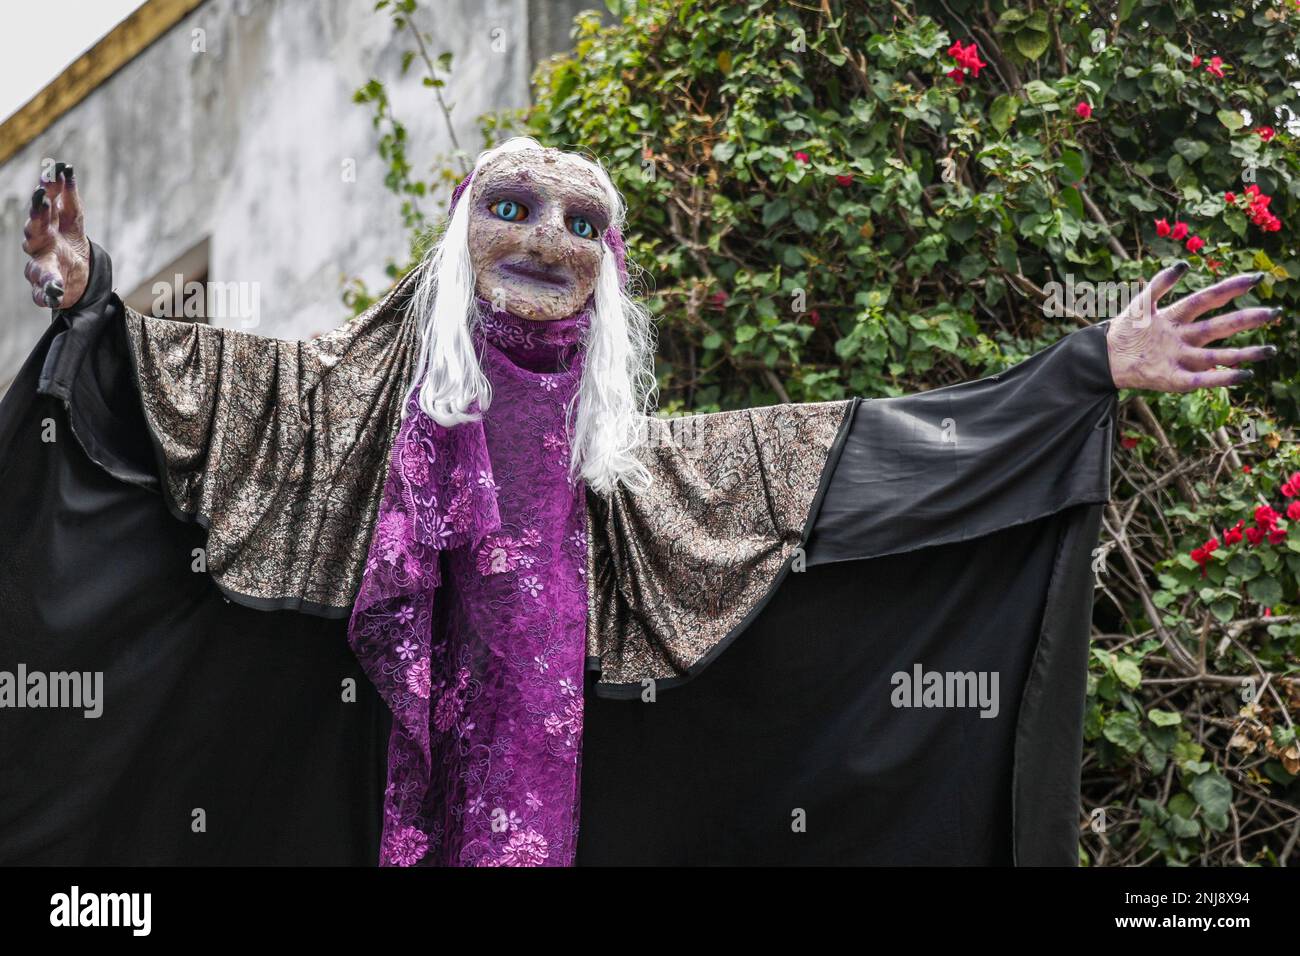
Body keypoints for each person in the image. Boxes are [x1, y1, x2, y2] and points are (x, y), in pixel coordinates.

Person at [5, 137, 1279, 866]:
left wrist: (1079, 368)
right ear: (460, 239)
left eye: (578, 220)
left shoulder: (632, 472)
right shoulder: (346, 414)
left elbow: (861, 457)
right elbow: (192, 393)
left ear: (607, 265)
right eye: (511, 209)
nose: (546, 237)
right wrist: (89, 290)